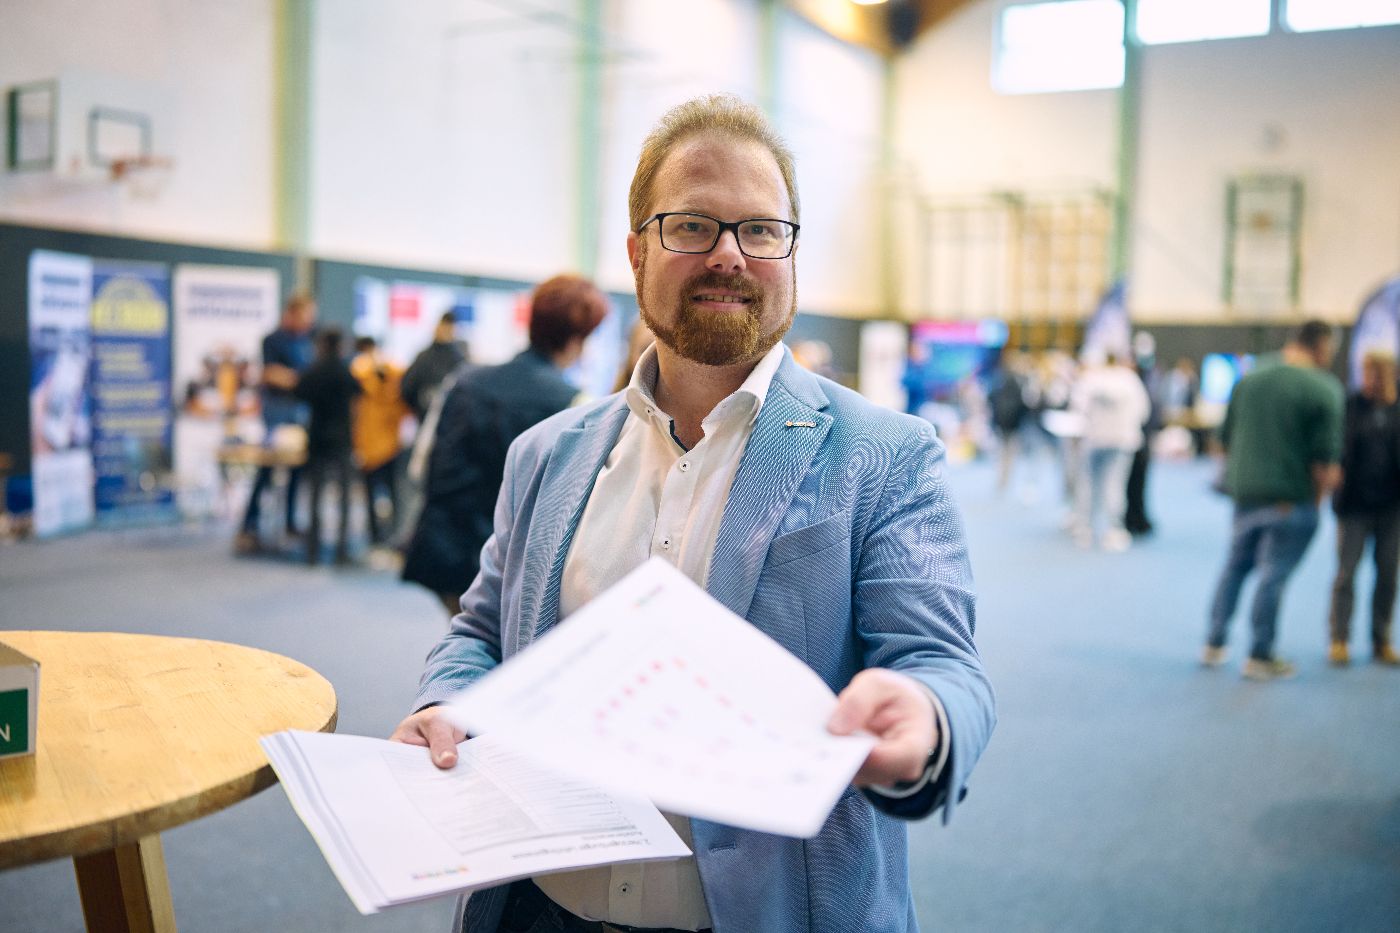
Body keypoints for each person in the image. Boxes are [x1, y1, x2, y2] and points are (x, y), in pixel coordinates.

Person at [390, 95, 994, 933]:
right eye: (693, 226)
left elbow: (944, 664)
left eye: (761, 230)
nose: (729, 254)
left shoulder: (884, 453)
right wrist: (450, 700)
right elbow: (484, 629)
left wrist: (925, 713)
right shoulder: (547, 453)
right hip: (536, 909)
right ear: (638, 252)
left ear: (790, 251)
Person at [400, 275, 607, 615]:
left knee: (465, 632)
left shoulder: (465, 381)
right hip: (515, 565)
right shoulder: (575, 406)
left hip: (446, 550)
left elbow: (421, 465)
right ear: (577, 338)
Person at [1202, 320, 1344, 680]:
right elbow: (1325, 463)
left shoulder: (1250, 377)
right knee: (1273, 576)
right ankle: (1260, 654)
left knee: (1235, 566)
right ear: (1323, 347)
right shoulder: (1323, 389)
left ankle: (1214, 642)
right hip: (1291, 497)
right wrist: (1318, 502)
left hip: (1244, 494)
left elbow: (1223, 440)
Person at [1327, 349, 1400, 667]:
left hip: (1391, 507)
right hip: (1354, 506)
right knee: (1346, 574)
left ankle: (1381, 640)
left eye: (1377, 373)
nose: (1371, 379)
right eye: (1366, 372)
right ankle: (1339, 639)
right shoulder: (1349, 406)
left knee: (1388, 575)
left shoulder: (1397, 409)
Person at [236, 293, 317, 554]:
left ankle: (290, 524)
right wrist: (299, 379)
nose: (309, 321)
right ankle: (249, 526)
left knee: (297, 470)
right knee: (267, 468)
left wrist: (294, 379)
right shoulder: (273, 340)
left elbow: (298, 377)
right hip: (276, 412)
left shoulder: (307, 341)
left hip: (300, 412)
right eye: (305, 315)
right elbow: (272, 374)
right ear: (291, 313)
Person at [1068, 351, 1150, 551]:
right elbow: (1143, 411)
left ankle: (1085, 528)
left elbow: (1078, 409)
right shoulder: (1130, 380)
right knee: (1115, 485)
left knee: (1089, 484)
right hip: (1122, 440)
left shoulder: (1090, 379)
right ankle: (1114, 530)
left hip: (1094, 439)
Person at [295, 327, 361, 566]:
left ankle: (312, 551)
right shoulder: (345, 371)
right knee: (344, 496)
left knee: (315, 496)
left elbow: (298, 392)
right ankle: (341, 550)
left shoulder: (314, 370)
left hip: (318, 439)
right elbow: (358, 396)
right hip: (342, 439)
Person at [350, 336, 408, 545]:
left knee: (379, 491)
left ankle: (383, 534)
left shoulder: (364, 372)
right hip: (381, 442)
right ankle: (386, 534)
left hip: (377, 443)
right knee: (389, 491)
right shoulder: (389, 372)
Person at [401, 311, 469, 421]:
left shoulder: (459, 360)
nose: (445, 331)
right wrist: (420, 408)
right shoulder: (424, 357)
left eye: (449, 328)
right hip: (426, 415)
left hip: (450, 419)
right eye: (444, 327)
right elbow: (407, 387)